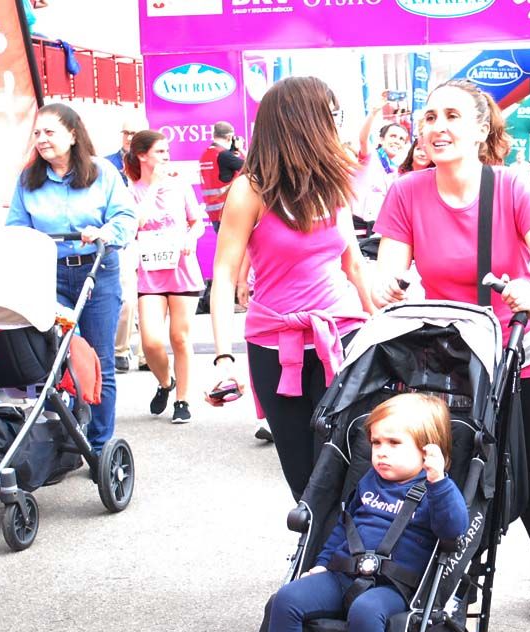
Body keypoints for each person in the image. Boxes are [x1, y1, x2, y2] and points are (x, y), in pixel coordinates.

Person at [373, 78, 530, 622]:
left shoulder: (512, 186)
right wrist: (387, 283)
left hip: (521, 348)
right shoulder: (406, 192)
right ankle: (453, 578)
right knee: (453, 465)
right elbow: (389, 266)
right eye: (431, 116)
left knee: (527, 469)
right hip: (450, 355)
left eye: (453, 116)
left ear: (482, 128)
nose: (439, 127)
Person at [208, 76, 373, 501]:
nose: (338, 124)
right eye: (332, 114)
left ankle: (345, 557)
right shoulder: (251, 189)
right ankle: (316, 550)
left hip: (342, 335)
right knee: (303, 473)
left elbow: (352, 262)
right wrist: (224, 358)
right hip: (274, 344)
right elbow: (224, 275)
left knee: (348, 461)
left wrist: (382, 325)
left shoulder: (335, 180)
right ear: (305, 121)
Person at [264, 393, 469, 632]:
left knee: (366, 611)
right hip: (343, 573)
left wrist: (438, 480)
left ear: (428, 450)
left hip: (394, 587)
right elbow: (345, 525)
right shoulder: (369, 480)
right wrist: (323, 564)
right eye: (376, 442)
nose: (381, 451)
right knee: (286, 599)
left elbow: (454, 529)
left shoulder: (437, 490)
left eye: (394, 443)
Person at [6, 102, 137, 455]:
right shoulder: (28, 180)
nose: (42, 139)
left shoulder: (103, 173)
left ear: (73, 134)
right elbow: (16, 229)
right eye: (37, 133)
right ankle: (61, 442)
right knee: (52, 358)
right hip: (47, 276)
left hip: (96, 272)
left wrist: (104, 232)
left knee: (99, 358)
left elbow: (126, 218)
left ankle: (98, 445)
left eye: (50, 132)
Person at [124, 130, 205, 424]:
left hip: (181, 268)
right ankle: (164, 382)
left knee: (179, 338)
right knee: (152, 341)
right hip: (150, 273)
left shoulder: (180, 186)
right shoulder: (131, 191)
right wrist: (154, 185)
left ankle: (182, 400)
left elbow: (197, 223)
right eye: (160, 152)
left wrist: (191, 238)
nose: (166, 157)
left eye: (167, 151)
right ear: (142, 155)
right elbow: (137, 223)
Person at [106, 117, 148, 374]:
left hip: (151, 241)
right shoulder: (107, 165)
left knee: (149, 299)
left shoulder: (153, 164)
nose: (130, 138)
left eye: (136, 133)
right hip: (123, 241)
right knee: (127, 299)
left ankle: (146, 354)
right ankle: (120, 350)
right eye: (127, 132)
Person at [353, 96, 410, 238]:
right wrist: (373, 113)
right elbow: (362, 139)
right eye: (393, 136)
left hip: (377, 232)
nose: (397, 141)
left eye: (401, 139)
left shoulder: (397, 172)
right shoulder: (370, 157)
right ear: (381, 139)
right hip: (357, 230)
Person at [199, 121, 243, 233]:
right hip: (228, 212)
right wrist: (241, 149)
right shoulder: (224, 155)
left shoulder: (205, 154)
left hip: (214, 213)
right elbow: (253, 169)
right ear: (229, 137)